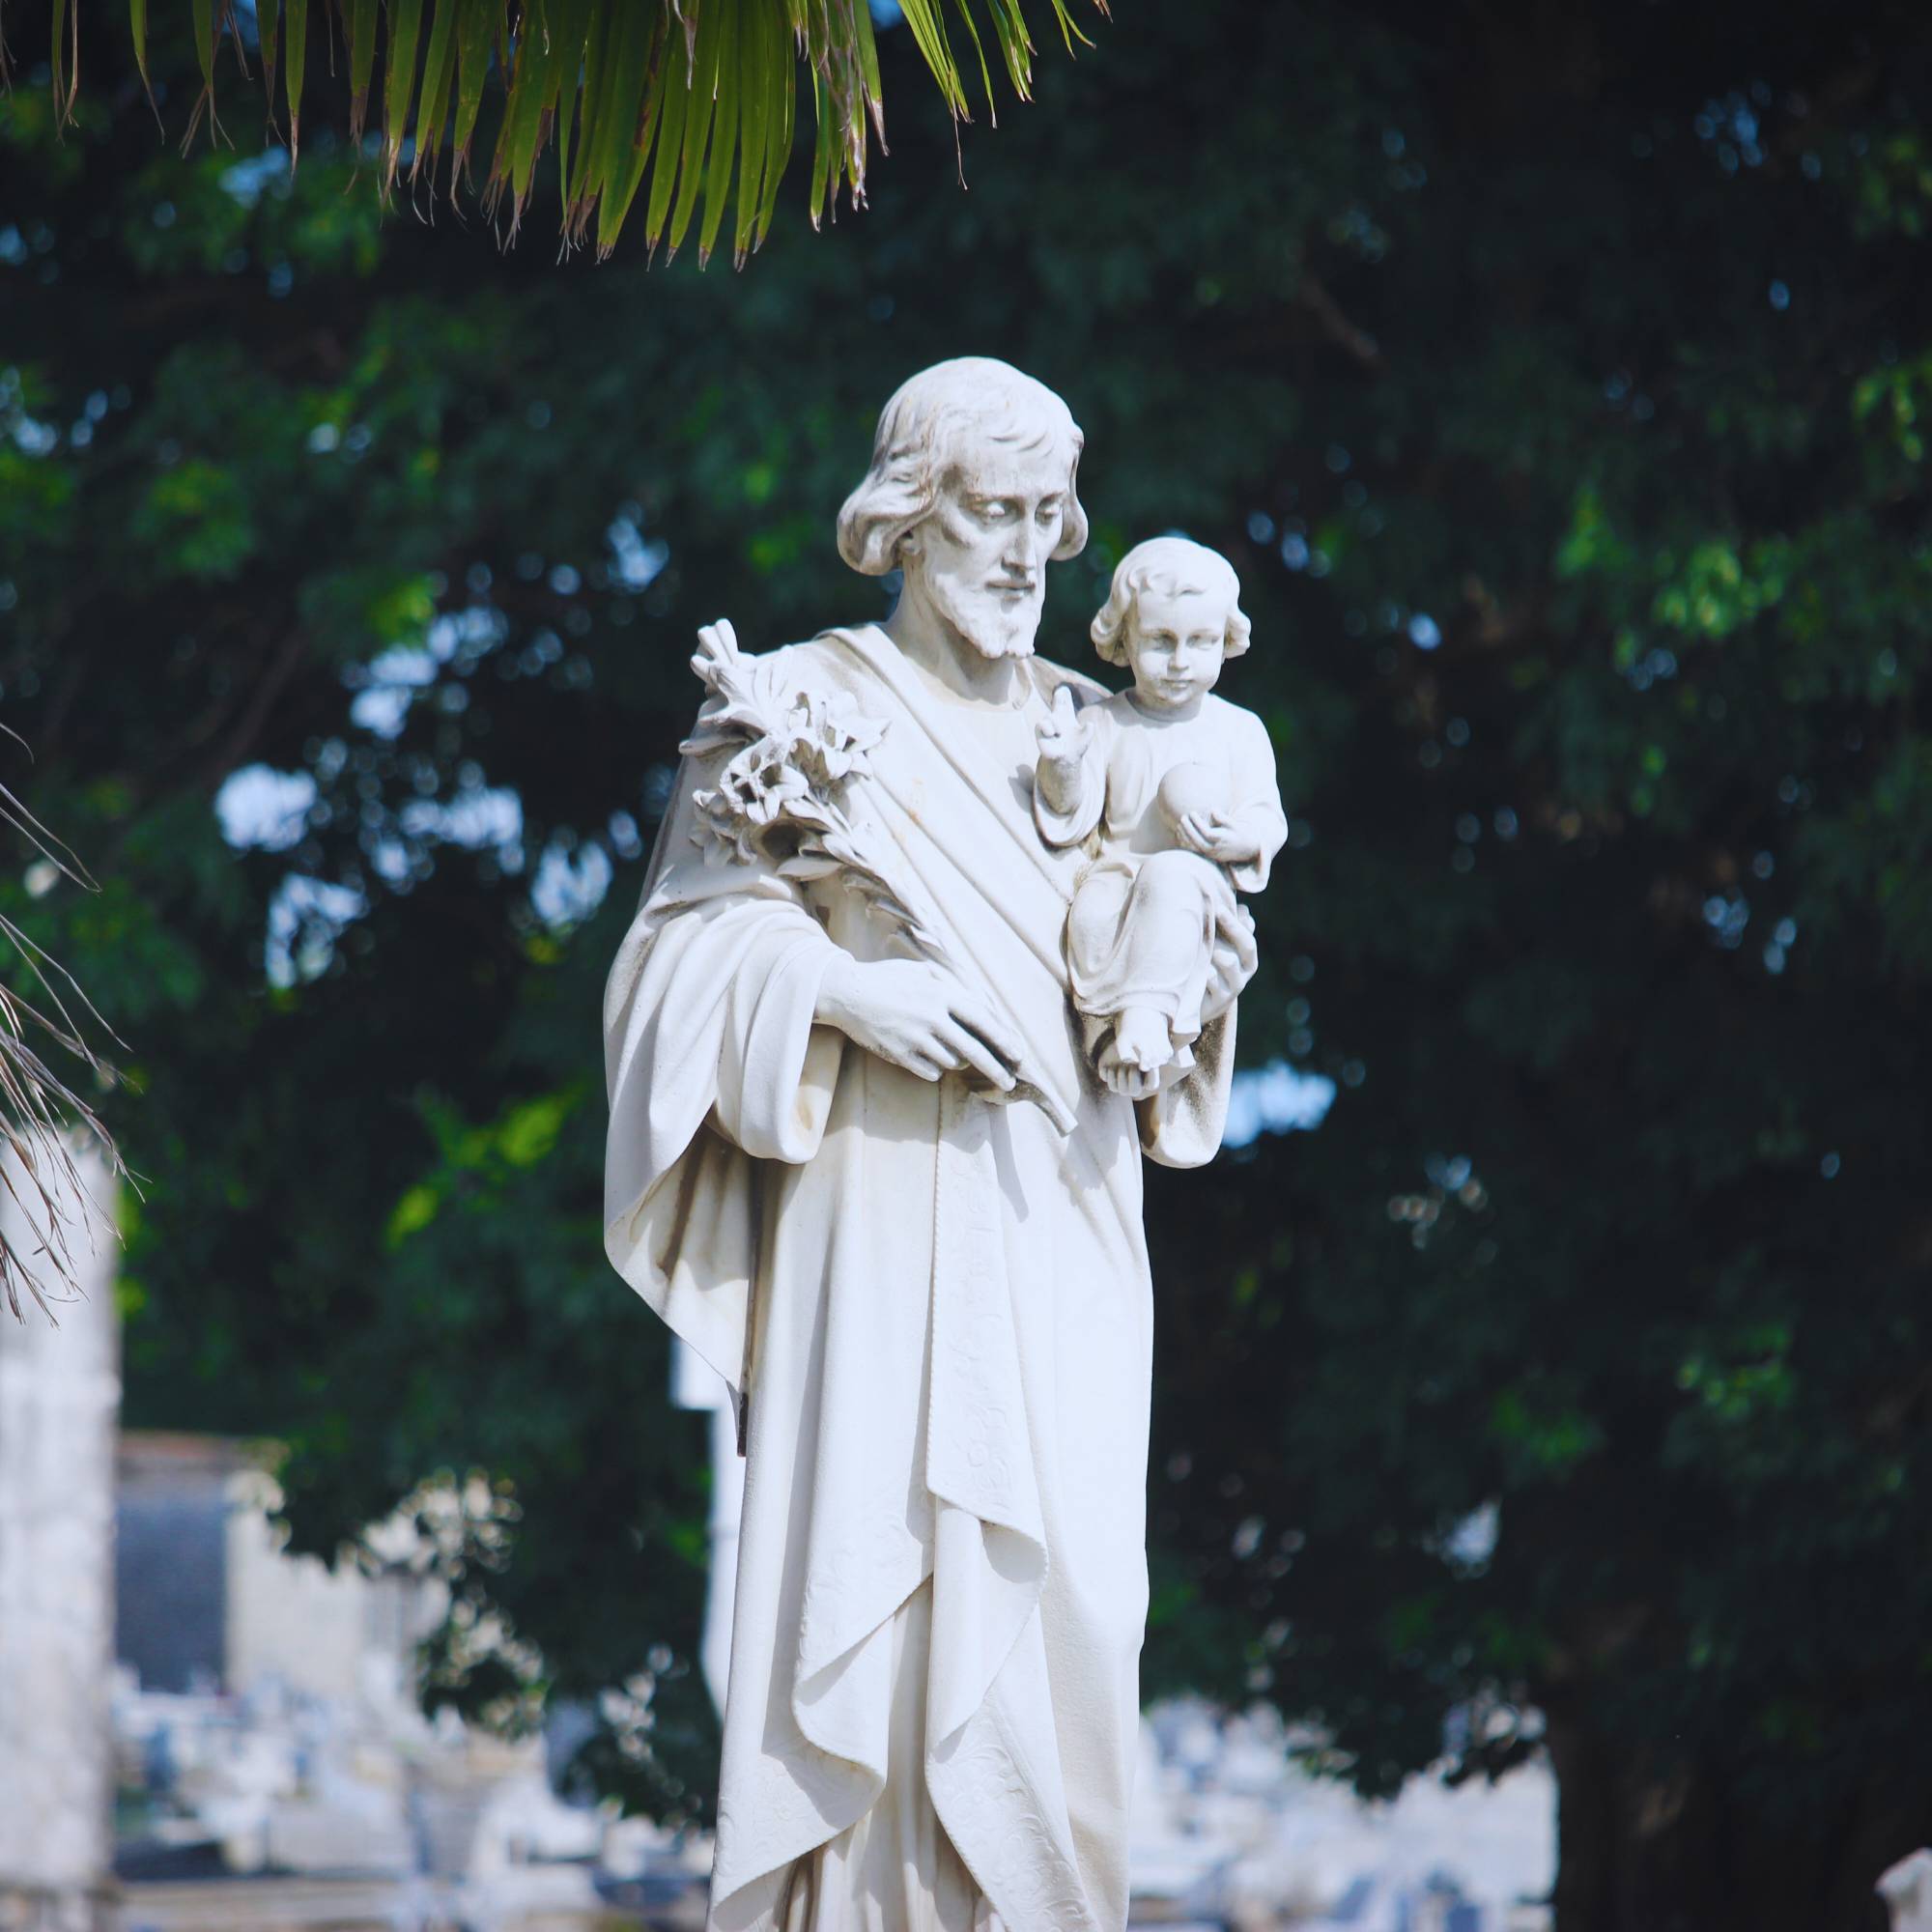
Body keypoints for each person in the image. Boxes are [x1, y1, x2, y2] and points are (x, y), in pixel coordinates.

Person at [602, 359, 1259, 1932]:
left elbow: (1185, 949)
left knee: (1080, 1614)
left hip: (1067, 1220)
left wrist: (1189, 974)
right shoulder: (791, 707)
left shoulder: (1102, 728)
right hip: (877, 1224)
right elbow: (666, 976)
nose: (1030, 553)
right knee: (879, 1610)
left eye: (1051, 519)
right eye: (992, 512)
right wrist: (841, 993)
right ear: (904, 521)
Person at [1034, 537, 1287, 1099]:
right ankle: (1119, 1035)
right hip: (1117, 882)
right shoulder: (1105, 723)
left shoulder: (1238, 730)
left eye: (1199, 642)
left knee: (1170, 876)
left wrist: (1238, 837)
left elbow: (1267, 820)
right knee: (1090, 912)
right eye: (1159, 641)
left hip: (1194, 892)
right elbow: (1072, 813)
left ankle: (1147, 1021)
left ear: (1226, 641)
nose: (1179, 661)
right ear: (1123, 639)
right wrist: (1061, 765)